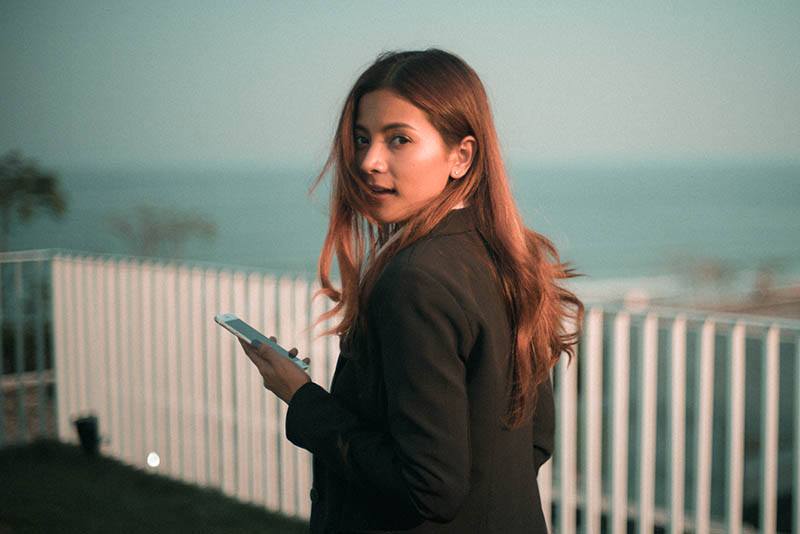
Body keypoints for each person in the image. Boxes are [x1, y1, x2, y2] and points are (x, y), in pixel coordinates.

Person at [238, 48, 584, 534]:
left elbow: (429, 486)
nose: (368, 161)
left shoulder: (415, 279)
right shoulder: (507, 258)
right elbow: (534, 440)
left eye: (398, 139)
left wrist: (303, 400)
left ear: (461, 156)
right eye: (362, 139)